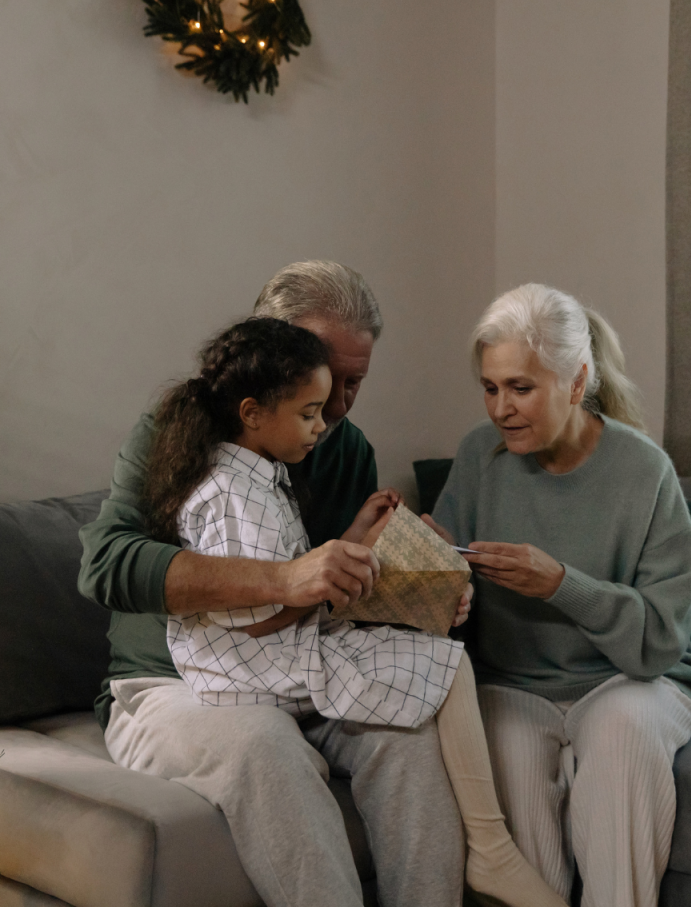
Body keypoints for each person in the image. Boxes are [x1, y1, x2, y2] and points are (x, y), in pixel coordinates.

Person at [78, 262, 466, 907]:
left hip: (301, 674)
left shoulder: (345, 449)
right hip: (174, 686)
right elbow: (107, 564)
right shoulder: (176, 431)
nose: (336, 406)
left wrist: (424, 580)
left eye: (353, 382)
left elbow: (346, 599)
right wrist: (284, 578)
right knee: (263, 744)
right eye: (323, 377)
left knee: (409, 735)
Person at [147, 315, 568, 907]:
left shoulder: (253, 477)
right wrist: (340, 584)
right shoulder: (236, 495)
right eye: (308, 413)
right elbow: (254, 615)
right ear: (252, 414)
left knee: (430, 672)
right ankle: (492, 848)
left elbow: (286, 573)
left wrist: (354, 538)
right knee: (446, 663)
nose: (323, 425)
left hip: (266, 653)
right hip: (255, 667)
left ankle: (487, 851)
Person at [426, 283, 691, 907]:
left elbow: (659, 642)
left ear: (576, 380)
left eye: (521, 388)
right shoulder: (479, 456)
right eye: (490, 388)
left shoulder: (644, 470)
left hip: (630, 680)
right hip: (512, 684)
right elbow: (449, 598)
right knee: (505, 768)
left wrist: (562, 585)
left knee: (623, 733)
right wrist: (430, 563)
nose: (501, 409)